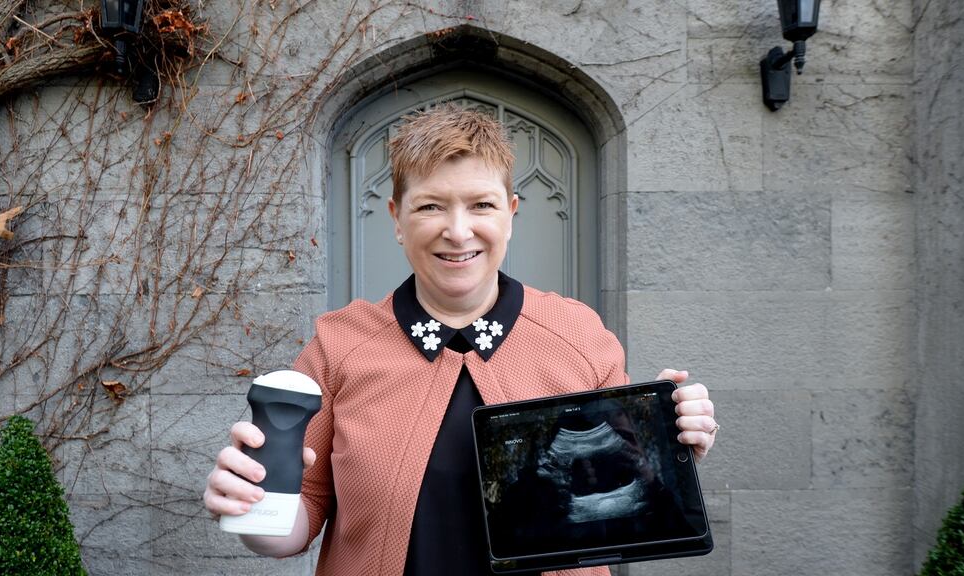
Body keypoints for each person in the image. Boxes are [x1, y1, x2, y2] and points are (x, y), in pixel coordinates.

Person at [203, 105, 719, 576]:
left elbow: (626, 495)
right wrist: (251, 508)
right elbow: (300, 516)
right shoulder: (338, 346)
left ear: (510, 214)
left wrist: (670, 444)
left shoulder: (577, 334)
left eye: (481, 205)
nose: (457, 231)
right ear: (397, 219)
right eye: (430, 206)